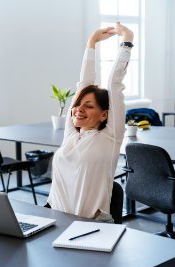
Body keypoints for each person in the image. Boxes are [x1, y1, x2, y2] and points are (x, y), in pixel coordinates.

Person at [46, 22, 133, 222]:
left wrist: (127, 41)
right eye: (78, 105)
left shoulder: (110, 137)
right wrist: (91, 42)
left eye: (89, 106)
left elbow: (114, 83)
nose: (79, 110)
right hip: (55, 218)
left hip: (91, 225)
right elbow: (83, 83)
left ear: (104, 115)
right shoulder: (71, 134)